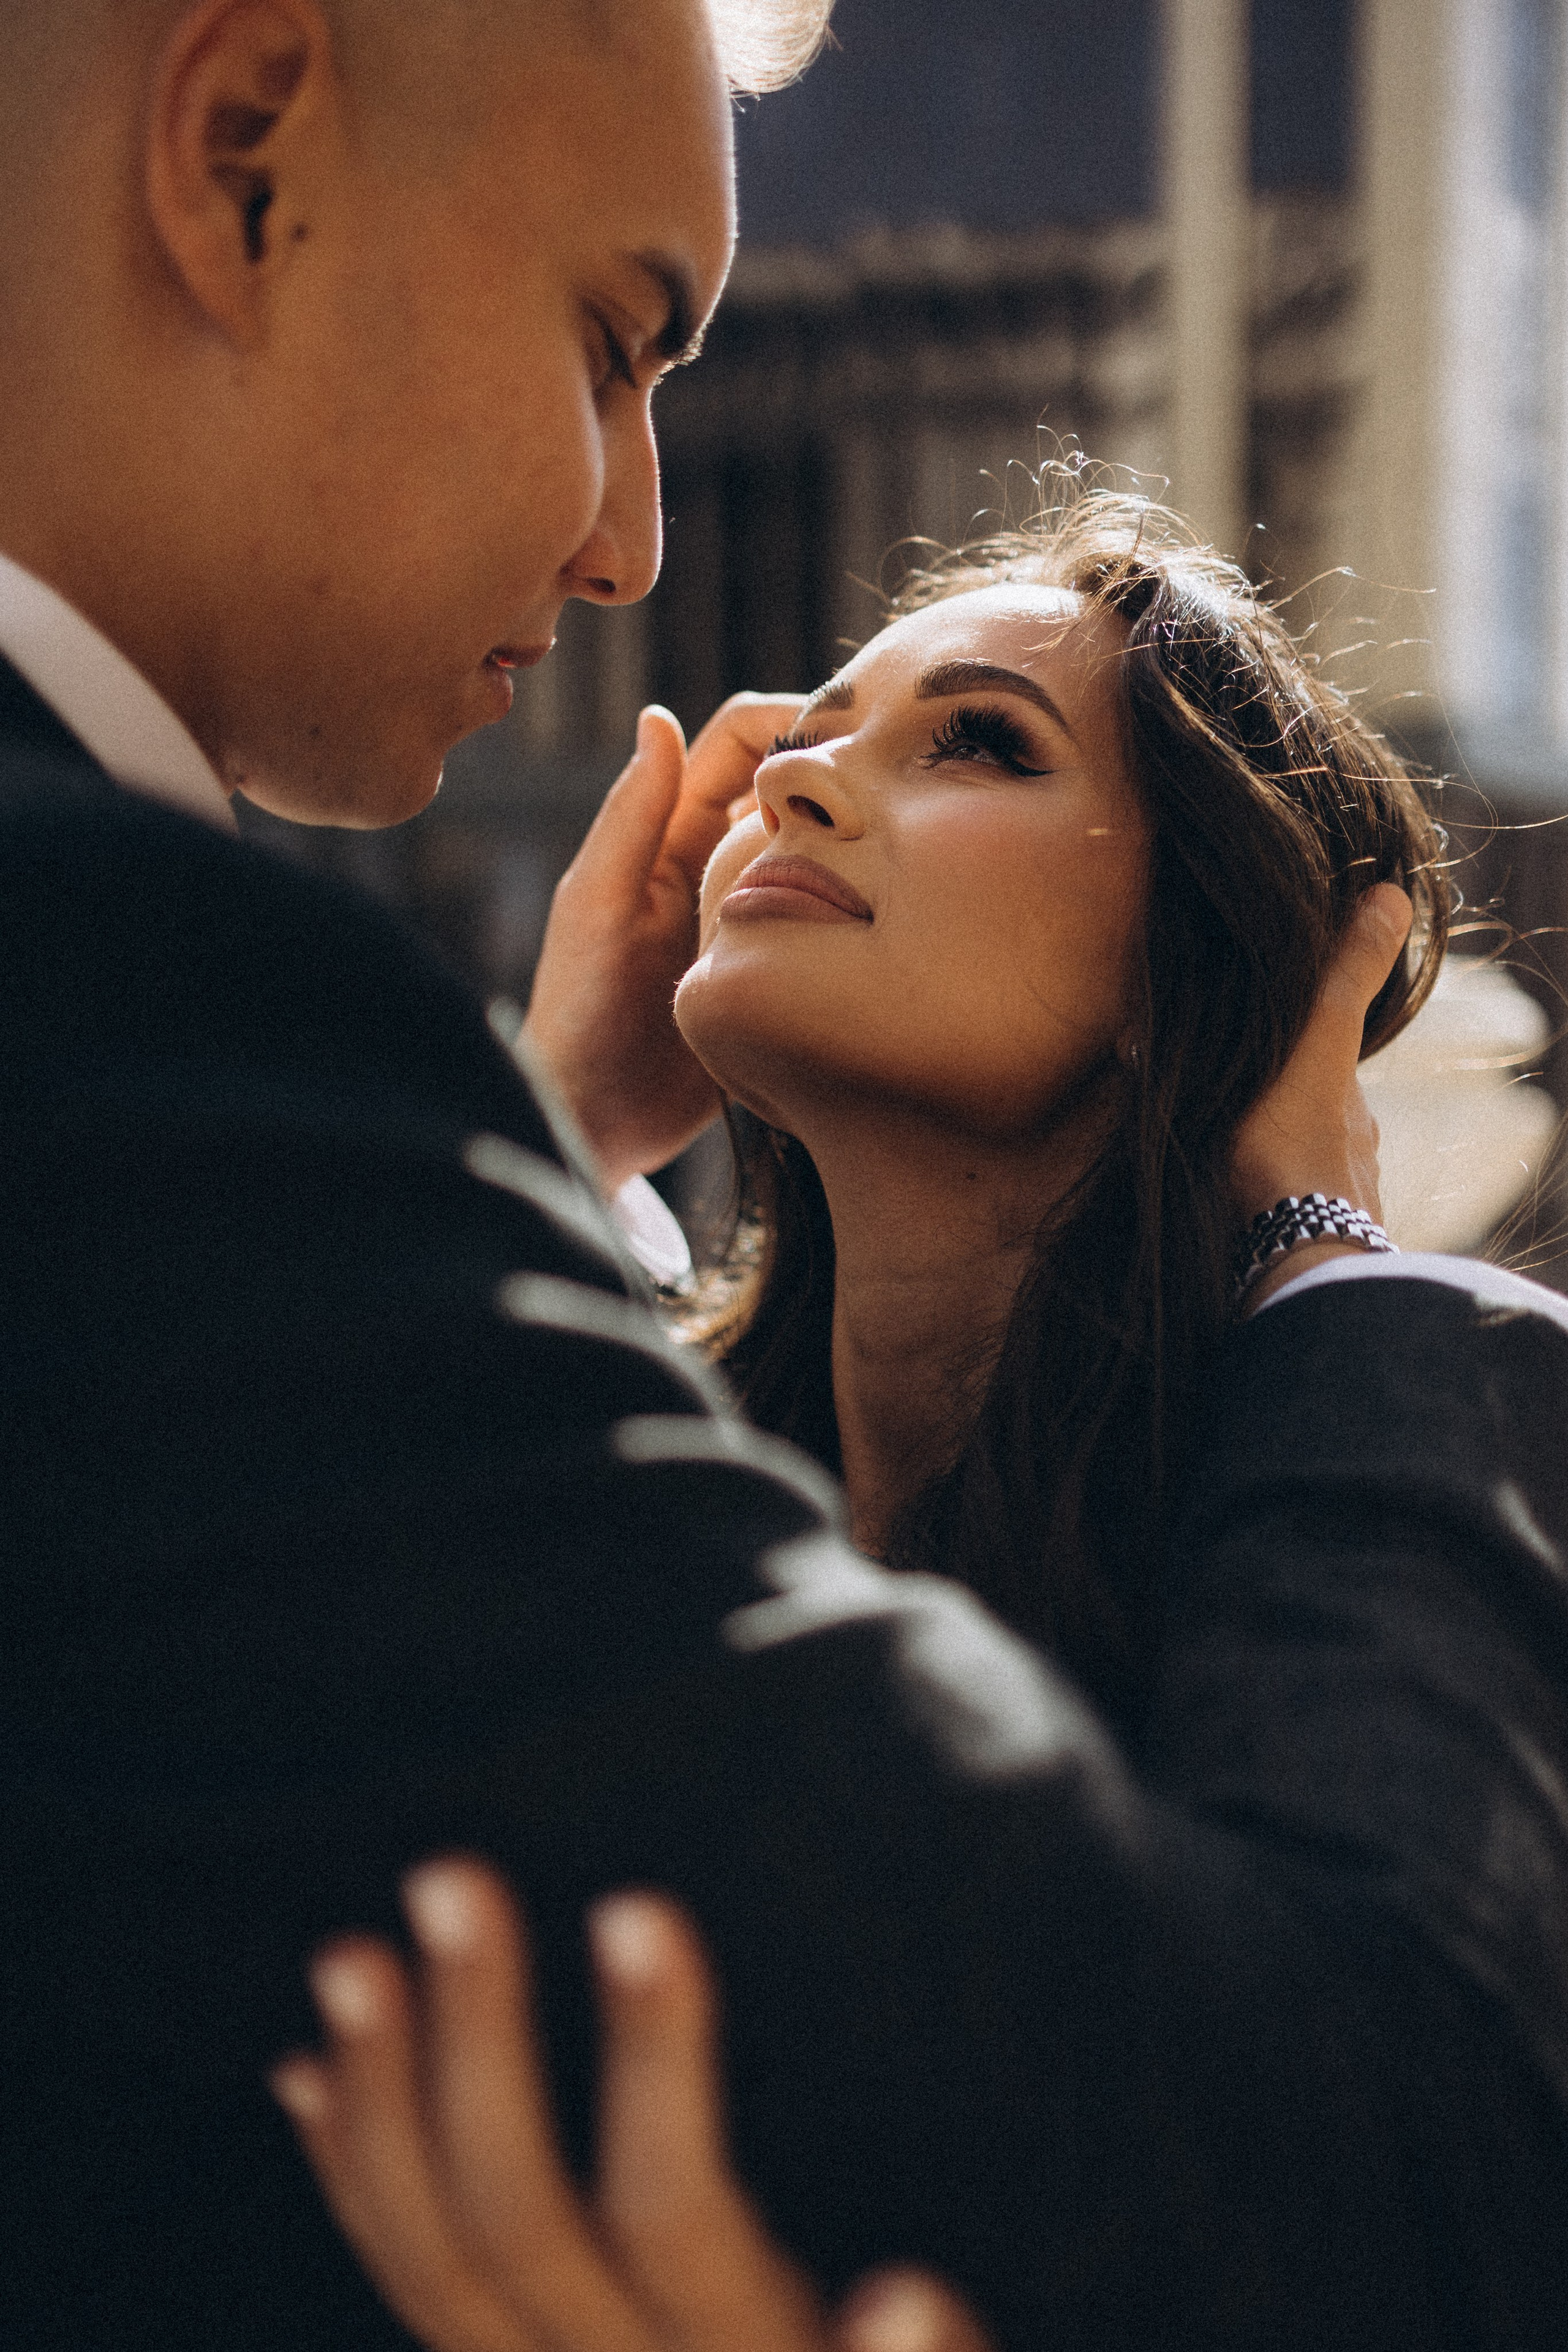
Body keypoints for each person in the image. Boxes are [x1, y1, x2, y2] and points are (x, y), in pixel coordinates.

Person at [3, 1, 1568, 2347]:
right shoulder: (154, 1014)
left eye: (969, 739)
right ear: (240, 158)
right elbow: (1346, 2161)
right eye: (612, 340)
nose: (639, 548)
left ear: (1207, 972)